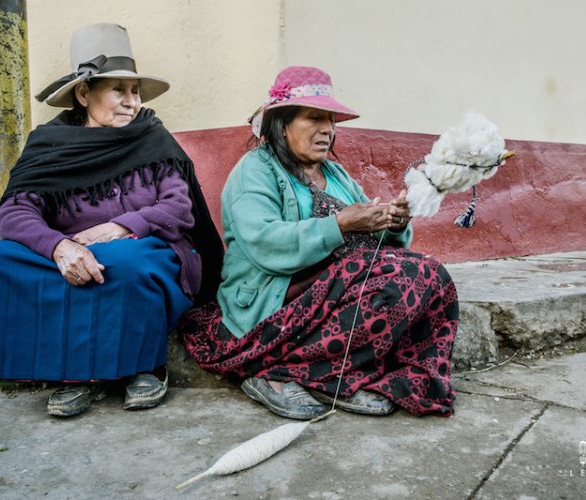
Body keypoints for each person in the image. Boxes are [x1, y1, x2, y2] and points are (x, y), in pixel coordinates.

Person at [181, 66, 458, 420]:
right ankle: (278, 374)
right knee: (397, 278)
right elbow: (265, 245)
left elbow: (378, 239)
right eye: (314, 118)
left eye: (331, 121)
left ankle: (341, 374)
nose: (327, 129)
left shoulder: (335, 174)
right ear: (281, 123)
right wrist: (340, 223)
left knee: (431, 275)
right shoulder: (255, 170)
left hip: (335, 291)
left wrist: (391, 224)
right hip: (276, 300)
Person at [0, 23, 223, 417]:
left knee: (126, 262)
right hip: (75, 255)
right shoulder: (50, 145)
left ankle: (145, 368)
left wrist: (124, 226)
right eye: (118, 90)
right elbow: (15, 212)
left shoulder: (152, 137)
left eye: (135, 91)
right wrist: (59, 246)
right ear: (83, 93)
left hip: (147, 249)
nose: (131, 102)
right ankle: (73, 374)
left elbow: (179, 209)